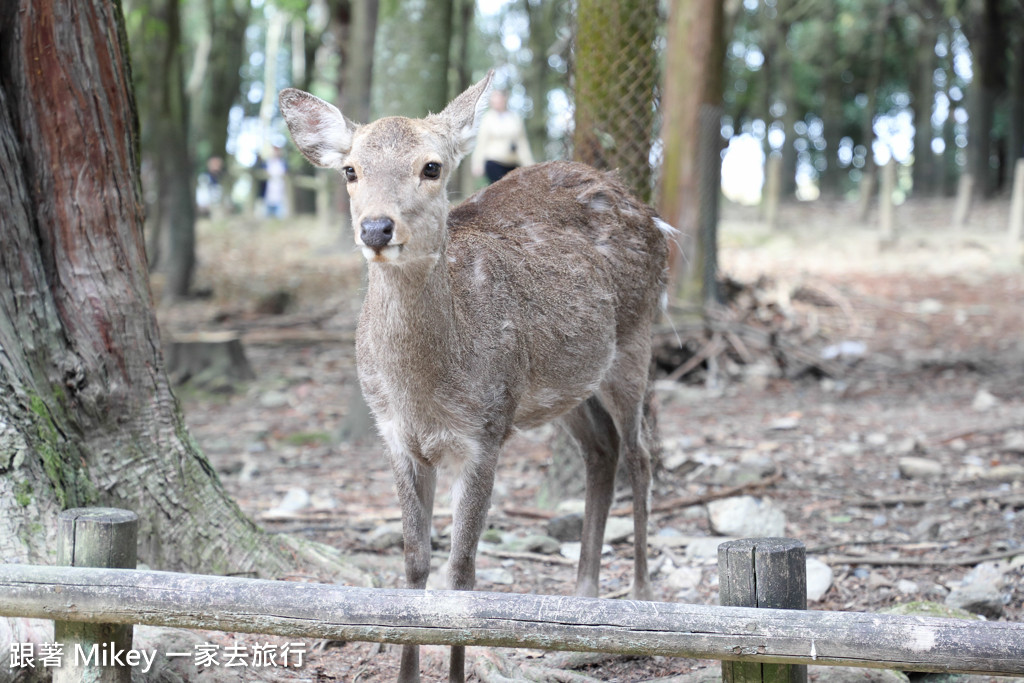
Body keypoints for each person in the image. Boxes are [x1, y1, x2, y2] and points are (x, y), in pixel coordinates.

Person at [471, 89, 534, 184]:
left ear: (504, 99)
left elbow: (522, 143)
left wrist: (530, 165)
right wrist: (477, 164)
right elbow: (481, 143)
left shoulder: (515, 118)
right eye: (494, 100)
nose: (496, 102)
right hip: (493, 161)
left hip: (512, 162)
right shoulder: (487, 119)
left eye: (498, 99)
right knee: (498, 190)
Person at [263, 146, 288, 218]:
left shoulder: (283, 163)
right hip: (268, 192)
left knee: (280, 215)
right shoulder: (267, 163)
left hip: (280, 192)